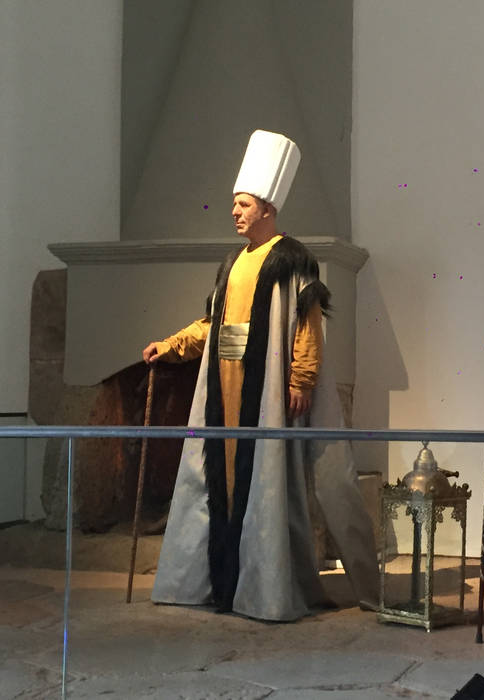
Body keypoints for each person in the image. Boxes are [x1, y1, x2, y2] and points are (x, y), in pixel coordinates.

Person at [146, 129, 379, 621]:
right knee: (219, 478)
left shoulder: (292, 259)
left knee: (267, 481)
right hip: (224, 389)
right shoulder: (232, 262)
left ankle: (264, 585)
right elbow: (214, 323)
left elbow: (308, 324)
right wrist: (170, 346)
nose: (234, 212)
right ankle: (220, 582)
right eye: (235, 203)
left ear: (267, 208)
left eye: (243, 204)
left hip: (266, 391)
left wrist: (301, 380)